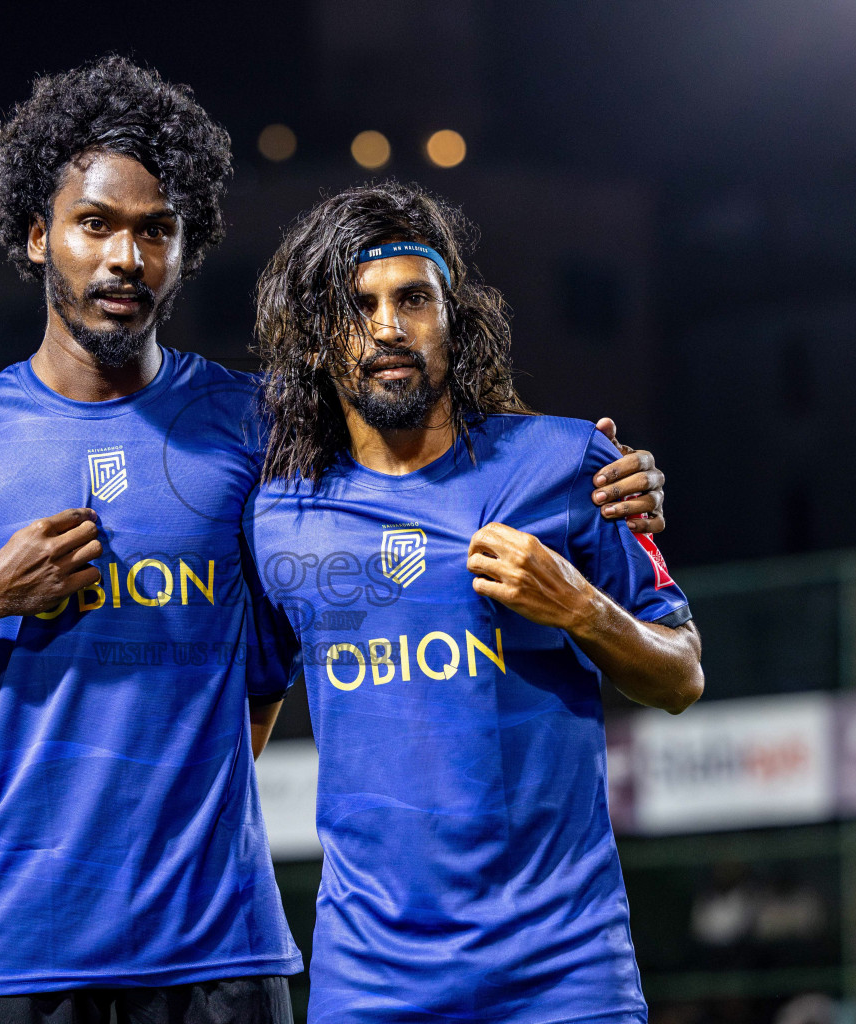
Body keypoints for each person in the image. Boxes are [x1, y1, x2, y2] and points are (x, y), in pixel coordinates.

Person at [0, 57, 667, 1023]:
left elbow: (415, 445)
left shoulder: (258, 428)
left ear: (186, 250)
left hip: (219, 949)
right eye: (96, 224)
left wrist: (601, 475)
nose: (125, 258)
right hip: (9, 953)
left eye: (157, 231)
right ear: (38, 236)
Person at [243, 181, 703, 1023]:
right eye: (357, 306)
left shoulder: (570, 464)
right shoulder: (276, 517)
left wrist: (581, 609)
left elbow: (681, 677)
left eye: (413, 298)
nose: (387, 326)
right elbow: (244, 722)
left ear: (456, 319)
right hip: (371, 982)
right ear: (314, 340)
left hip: (565, 973)